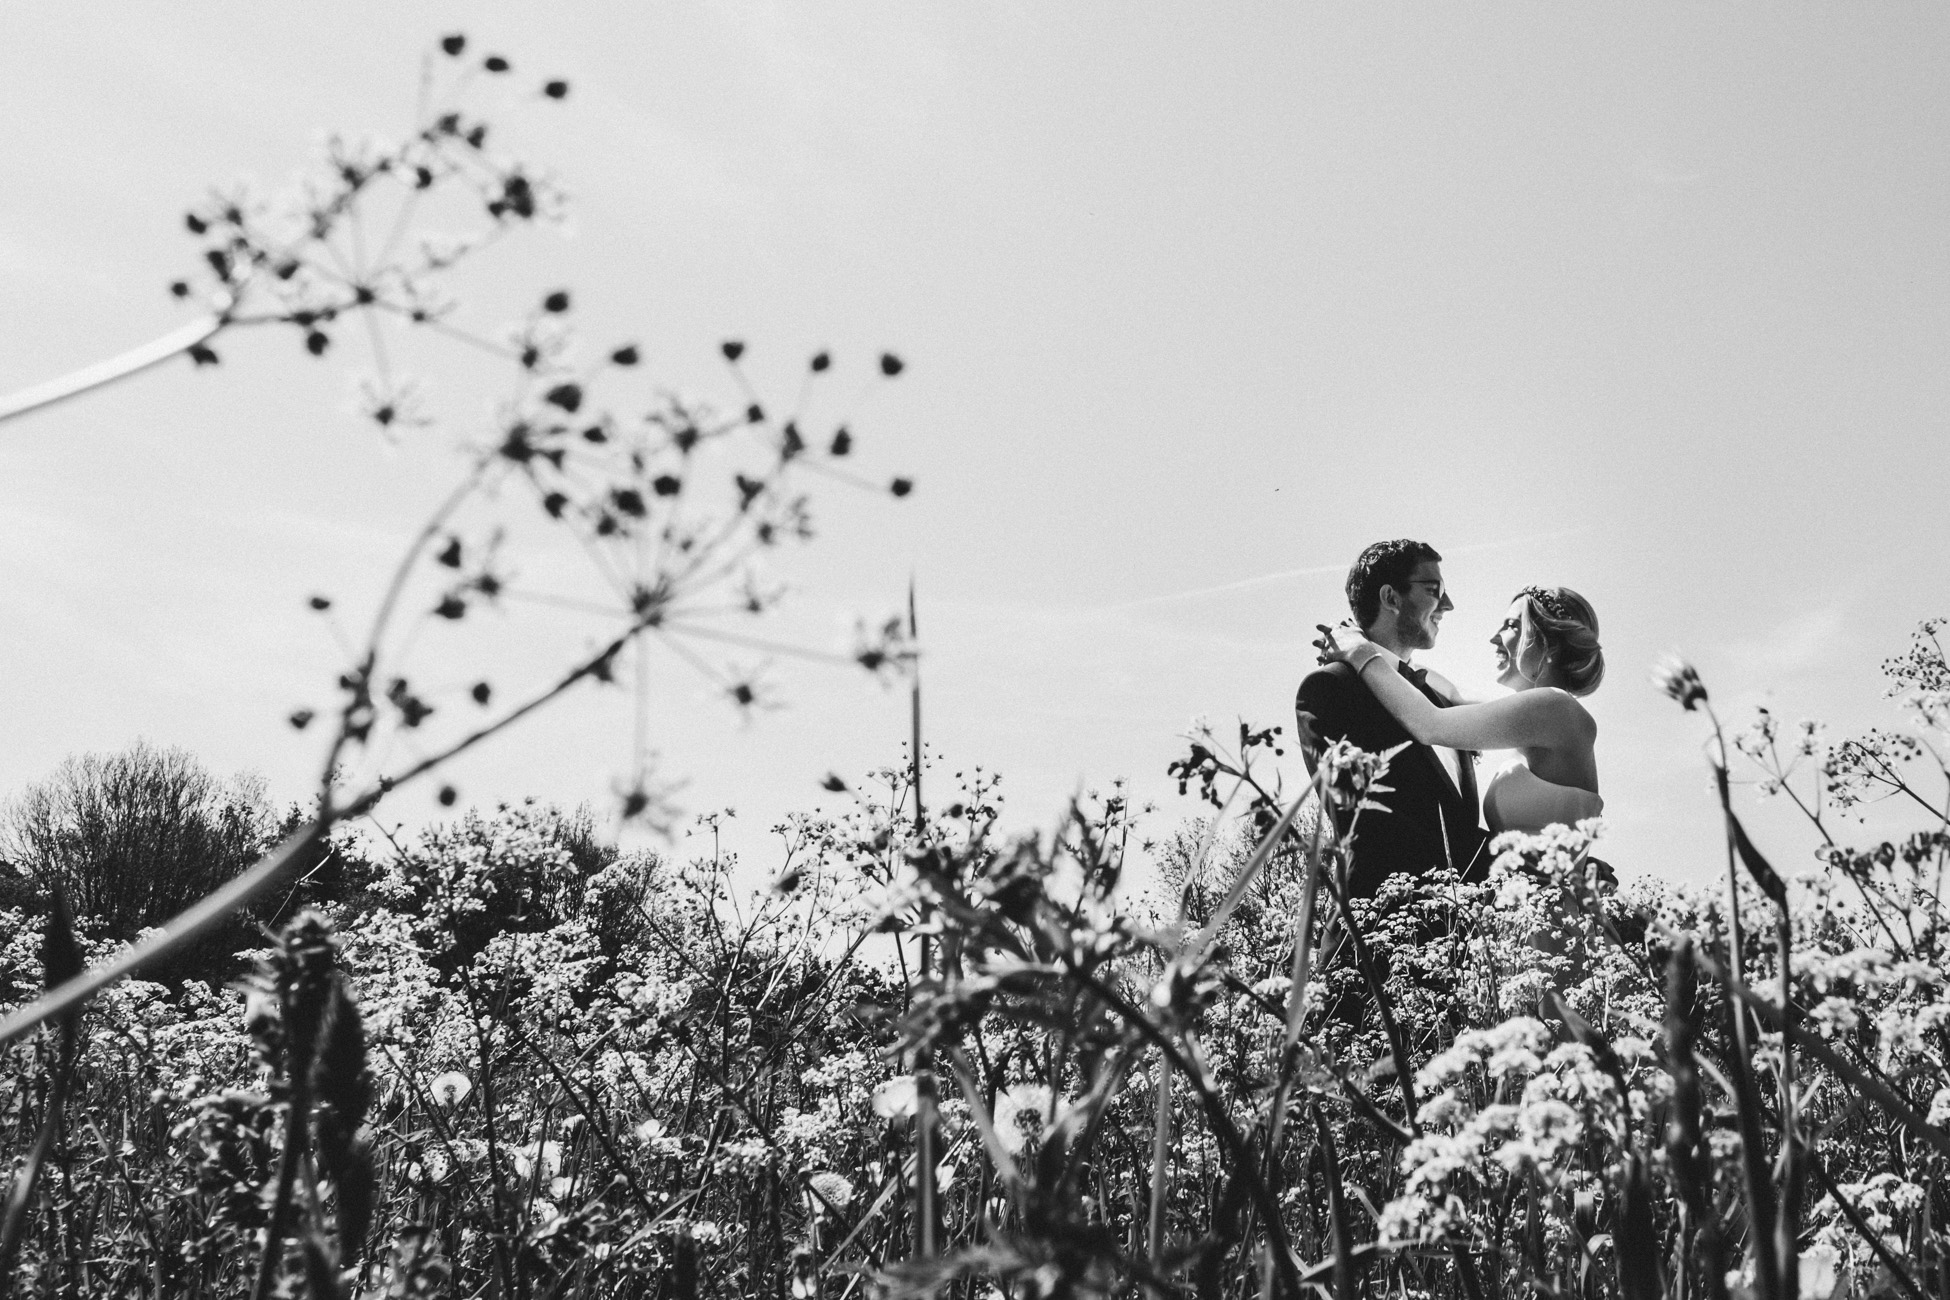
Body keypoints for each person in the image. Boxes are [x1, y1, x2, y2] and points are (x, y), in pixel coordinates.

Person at [1318, 585, 1605, 837]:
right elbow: (1454, 694)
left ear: (1549, 641)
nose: (1494, 637)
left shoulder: (1557, 709)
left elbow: (1430, 725)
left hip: (1542, 898)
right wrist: (1378, 652)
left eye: (1510, 626)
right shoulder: (1543, 716)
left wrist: (1359, 651)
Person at [1295, 540, 1487, 897]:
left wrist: (1554, 866)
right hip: (1378, 938)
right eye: (1435, 590)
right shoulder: (1331, 687)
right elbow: (1371, 824)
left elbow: (1460, 833)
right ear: (1391, 598)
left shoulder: (1436, 700)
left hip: (1458, 940)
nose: (1448, 604)